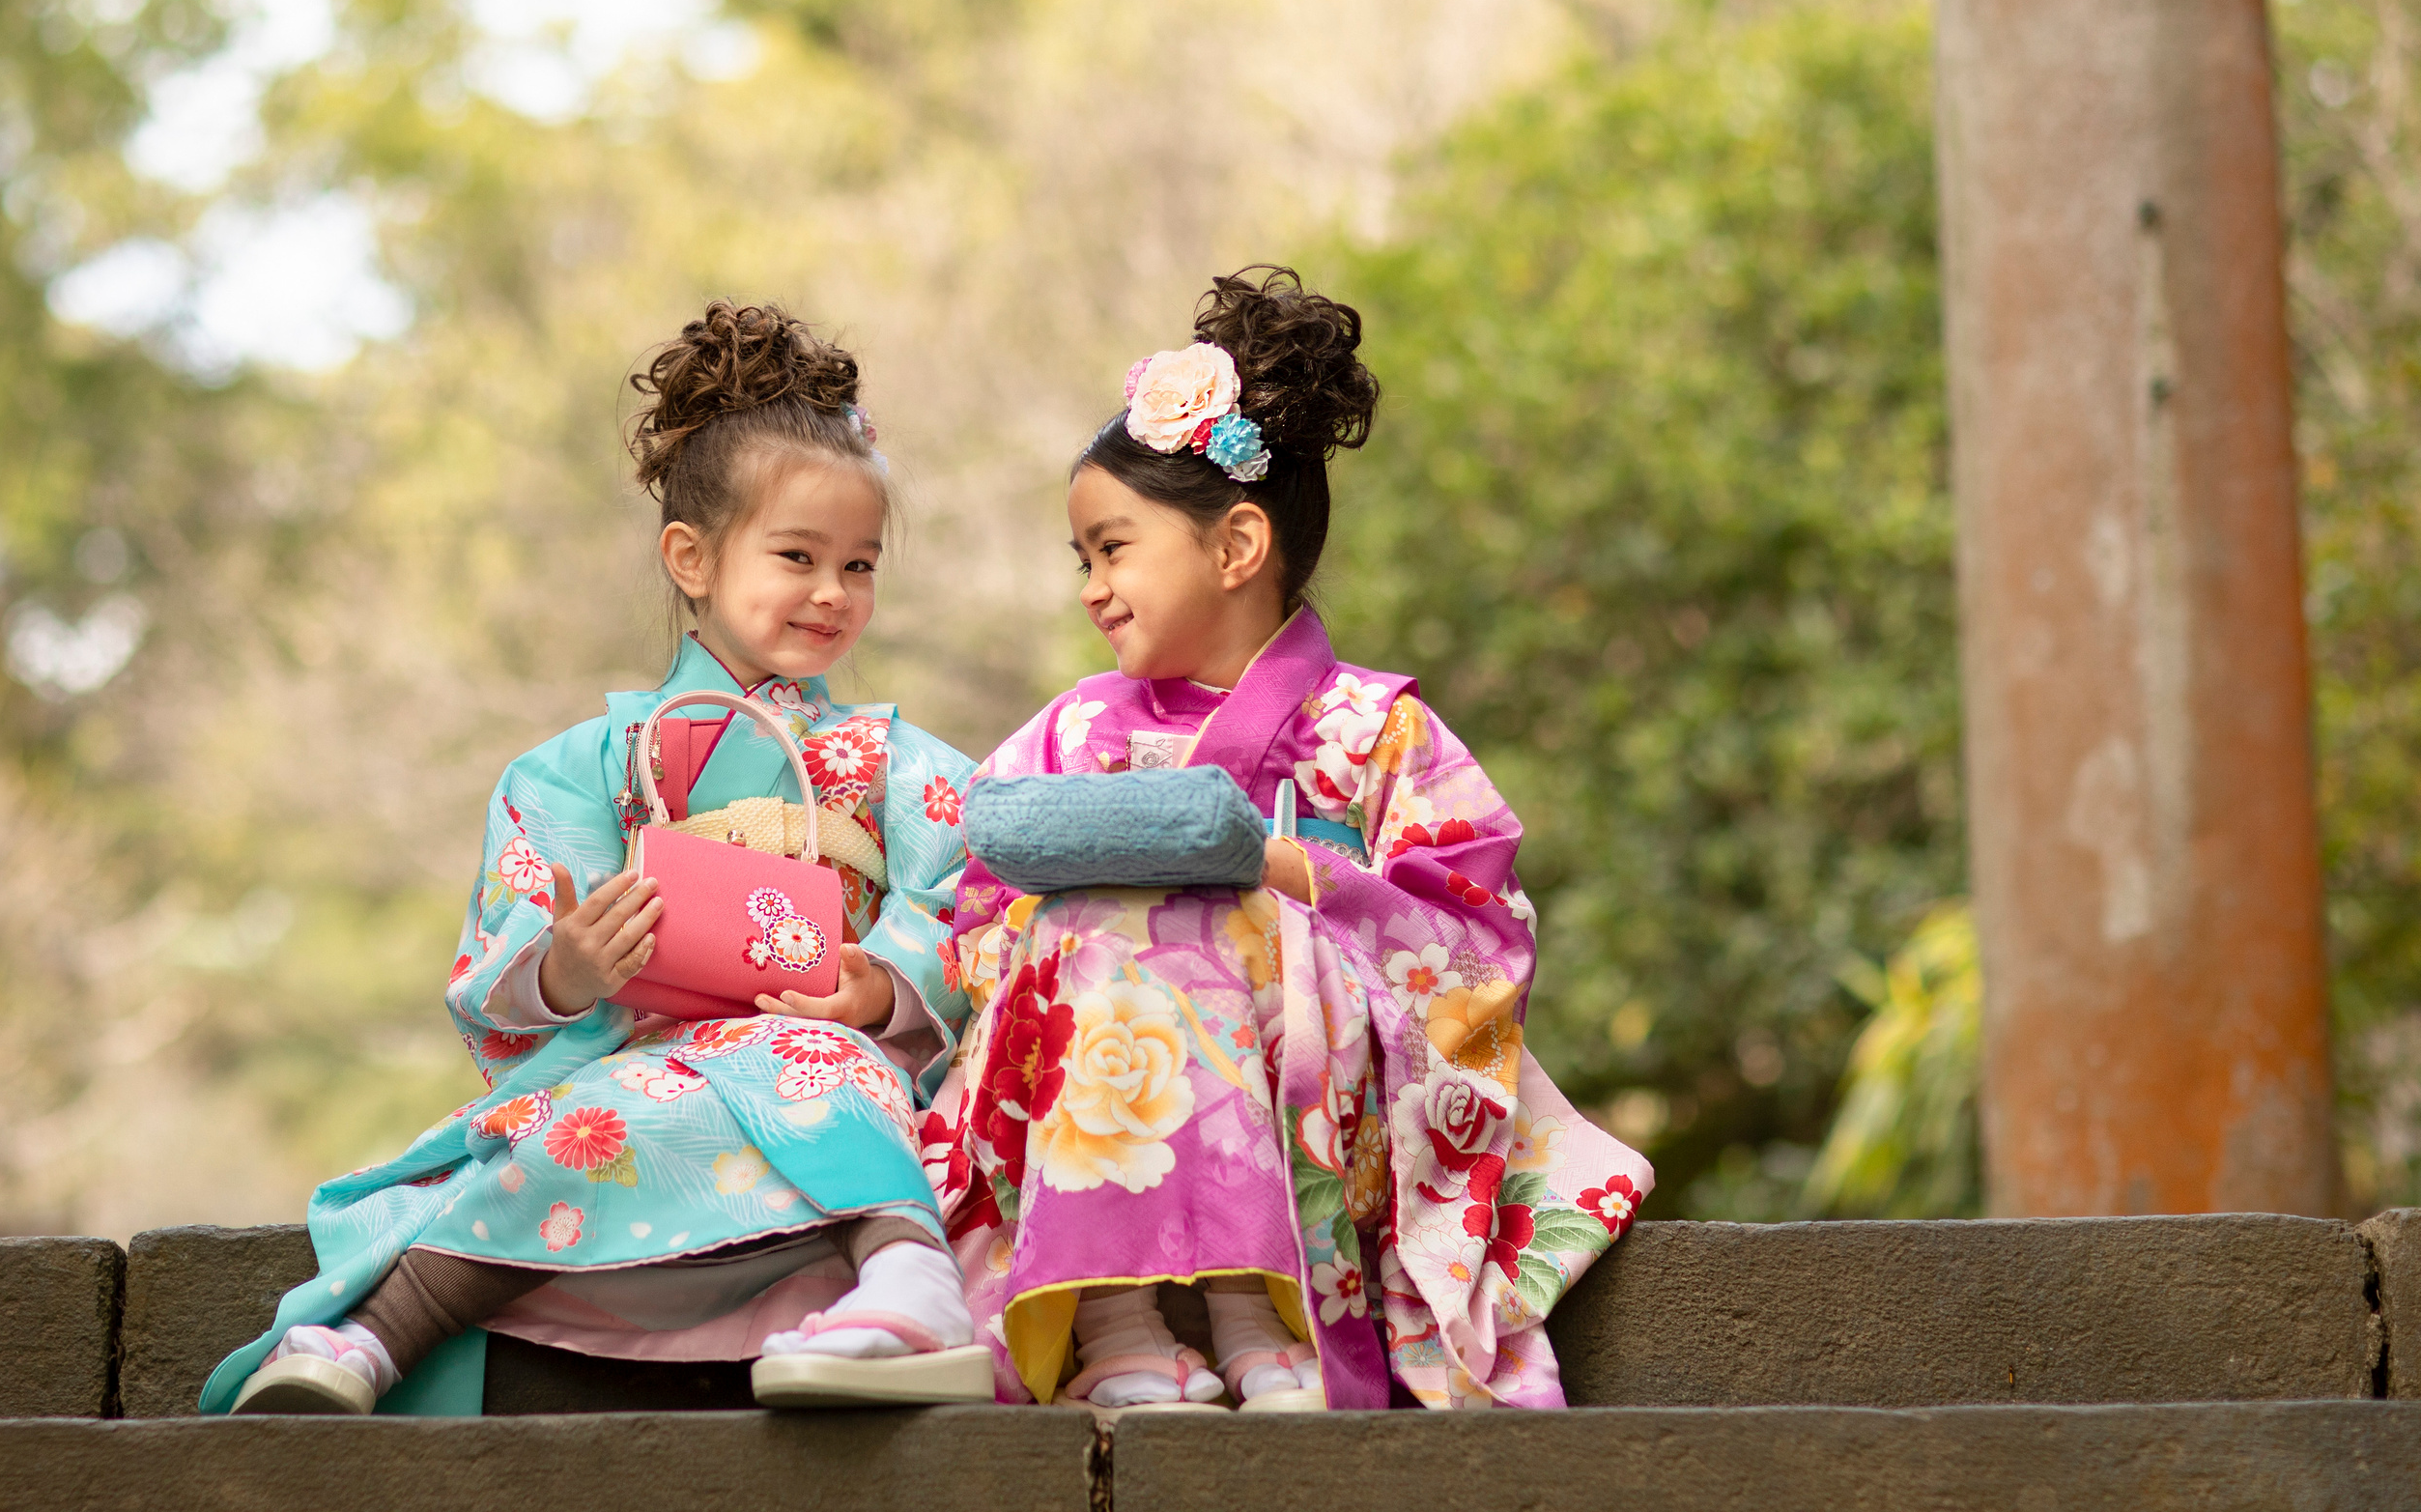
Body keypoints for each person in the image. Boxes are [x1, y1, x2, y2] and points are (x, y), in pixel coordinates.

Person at [207, 300, 988, 1415]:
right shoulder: (579, 766)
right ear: (691, 557)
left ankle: (909, 1283)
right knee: (573, 1132)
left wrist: (879, 986)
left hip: (819, 1043)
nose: (832, 592)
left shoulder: (893, 758)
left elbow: (967, 889)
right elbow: (521, 934)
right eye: (797, 556)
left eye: (858, 565)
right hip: (640, 1065)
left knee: (819, 1069)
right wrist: (567, 965)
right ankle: (364, 1344)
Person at [921, 268, 1654, 1412]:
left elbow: (1475, 938)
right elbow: (972, 903)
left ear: (1236, 546)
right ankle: (1112, 1317)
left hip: (1318, 1077)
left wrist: (1279, 876)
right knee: (1096, 929)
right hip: (1088, 1054)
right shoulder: (1066, 732)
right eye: (1083, 560)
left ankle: (1261, 1305)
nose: (1093, 590)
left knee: (1208, 925)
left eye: (1113, 549)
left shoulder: (1375, 729)